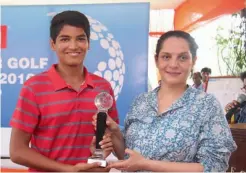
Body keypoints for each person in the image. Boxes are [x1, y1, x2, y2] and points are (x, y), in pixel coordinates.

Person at [94, 31, 237, 172]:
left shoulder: (206, 105)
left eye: (182, 57)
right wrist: (114, 133)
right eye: (166, 57)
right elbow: (127, 156)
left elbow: (215, 167)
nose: (173, 64)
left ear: (193, 61)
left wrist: (146, 164)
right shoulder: (141, 102)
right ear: (157, 60)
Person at [9, 10, 119, 172]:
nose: (73, 46)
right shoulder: (34, 88)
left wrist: (102, 154)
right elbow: (17, 151)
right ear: (53, 44)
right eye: (65, 39)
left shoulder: (103, 87)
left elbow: (113, 140)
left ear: (88, 43)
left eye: (80, 39)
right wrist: (67, 169)